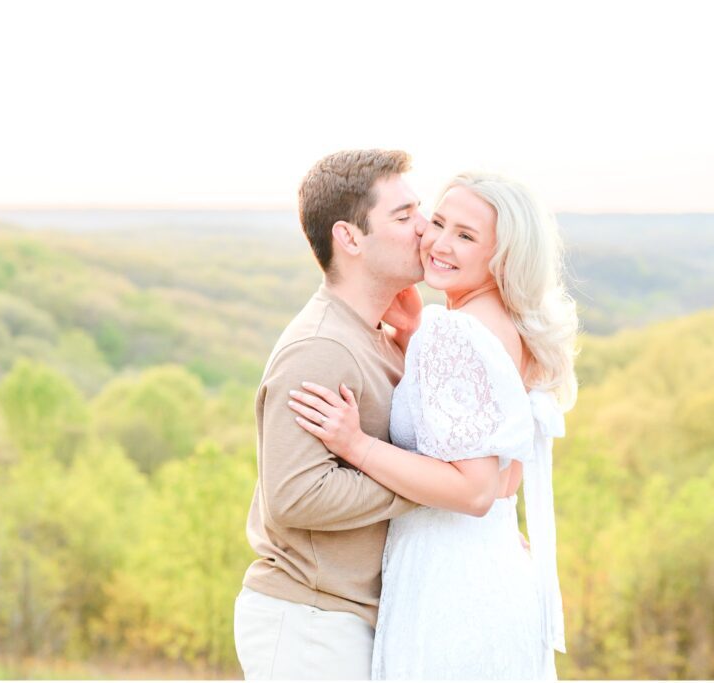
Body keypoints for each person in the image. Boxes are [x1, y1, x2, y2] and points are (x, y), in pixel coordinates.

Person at [289, 172, 579, 679]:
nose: (439, 244)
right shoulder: (509, 326)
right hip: (494, 567)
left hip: (448, 577)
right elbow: (500, 475)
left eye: (466, 236)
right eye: (437, 223)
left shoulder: (456, 331)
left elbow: (474, 490)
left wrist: (356, 445)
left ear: (503, 254)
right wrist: (412, 342)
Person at [234, 149, 431, 680]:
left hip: (344, 620)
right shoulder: (322, 348)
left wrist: (411, 341)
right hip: (310, 624)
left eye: (420, 209)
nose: (424, 226)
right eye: (403, 215)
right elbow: (296, 494)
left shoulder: (374, 335)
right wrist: (431, 486)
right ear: (349, 238)